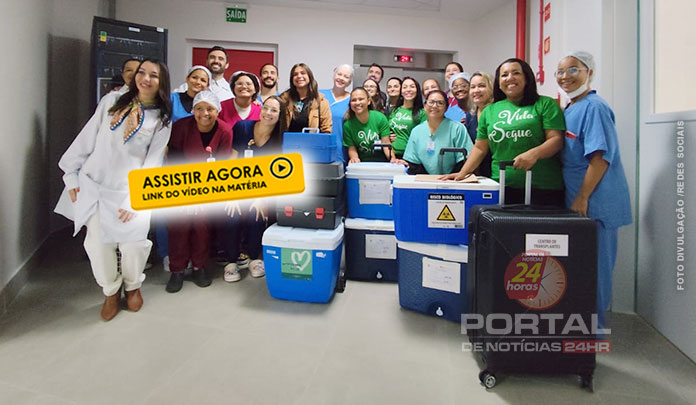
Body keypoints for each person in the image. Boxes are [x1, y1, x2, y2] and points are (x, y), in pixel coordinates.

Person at [54, 59, 172, 321]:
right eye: (142, 72)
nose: (146, 79)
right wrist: (71, 176)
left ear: (162, 82)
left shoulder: (162, 118)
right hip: (95, 187)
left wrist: (135, 198)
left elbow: (153, 162)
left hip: (131, 192)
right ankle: (110, 290)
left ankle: (133, 286)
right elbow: (86, 139)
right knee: (98, 245)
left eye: (154, 75)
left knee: (134, 245)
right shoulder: (111, 102)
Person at [556, 51, 632, 329]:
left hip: (595, 203)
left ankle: (592, 333)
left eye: (573, 69)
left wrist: (582, 197)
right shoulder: (571, 107)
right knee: (581, 267)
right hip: (580, 202)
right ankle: (581, 328)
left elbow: (600, 157)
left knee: (596, 270)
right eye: (560, 71)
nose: (565, 76)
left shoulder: (595, 107)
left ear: (589, 72)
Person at [441, 58, 565, 206]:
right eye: (504, 75)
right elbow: (480, 148)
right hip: (501, 184)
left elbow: (556, 140)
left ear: (527, 77)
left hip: (542, 186)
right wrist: (463, 173)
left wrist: (534, 154)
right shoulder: (490, 111)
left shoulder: (545, 104)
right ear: (499, 83)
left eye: (516, 73)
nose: (510, 78)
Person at [165, 90, 232, 293]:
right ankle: (177, 269)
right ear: (193, 110)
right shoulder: (181, 127)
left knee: (202, 226)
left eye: (210, 109)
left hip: (209, 187)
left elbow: (222, 165)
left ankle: (198, 267)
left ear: (217, 111)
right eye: (199, 108)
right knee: (178, 224)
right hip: (180, 185)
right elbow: (174, 161)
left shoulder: (225, 131)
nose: (205, 113)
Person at [222, 96, 287, 282]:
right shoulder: (243, 128)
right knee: (231, 213)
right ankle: (231, 262)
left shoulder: (280, 139)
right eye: (265, 108)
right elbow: (231, 163)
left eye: (274, 110)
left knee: (256, 213)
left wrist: (261, 198)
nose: (268, 113)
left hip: (263, 189)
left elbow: (276, 174)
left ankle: (254, 258)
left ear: (280, 115)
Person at [403, 90, 473, 175]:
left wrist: (450, 178)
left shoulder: (457, 129)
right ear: (425, 106)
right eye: (431, 102)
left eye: (440, 103)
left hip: (454, 178)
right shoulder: (416, 131)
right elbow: (413, 162)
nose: (435, 106)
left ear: (446, 108)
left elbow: (465, 159)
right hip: (424, 179)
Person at [342, 87, 393, 163]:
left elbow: (386, 144)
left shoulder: (380, 118)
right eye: (354, 100)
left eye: (361, 99)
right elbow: (351, 148)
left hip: (382, 162)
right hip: (362, 163)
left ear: (368, 101)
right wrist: (354, 159)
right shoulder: (347, 125)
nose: (357, 102)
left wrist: (393, 159)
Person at [280, 63, 332, 133]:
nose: (299, 76)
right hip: (287, 139)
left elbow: (326, 130)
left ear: (309, 77)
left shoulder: (321, 102)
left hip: (312, 140)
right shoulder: (283, 99)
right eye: (295, 74)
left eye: (303, 73)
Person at [463, 71, 495, 178]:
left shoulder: (498, 112)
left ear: (491, 88)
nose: (476, 90)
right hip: (477, 170)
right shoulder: (470, 115)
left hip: (496, 168)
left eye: (481, 86)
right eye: (473, 87)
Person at [319, 64, 353, 162]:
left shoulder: (352, 100)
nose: (341, 78)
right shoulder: (320, 95)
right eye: (339, 74)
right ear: (334, 74)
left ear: (349, 81)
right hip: (318, 147)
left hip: (340, 151)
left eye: (346, 77)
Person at [388, 77, 425, 158]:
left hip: (410, 155)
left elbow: (423, 138)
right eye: (405, 87)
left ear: (417, 90)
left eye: (412, 87)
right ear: (401, 92)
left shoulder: (422, 112)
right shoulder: (395, 110)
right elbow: (386, 129)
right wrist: (388, 136)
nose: (408, 90)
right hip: (391, 154)